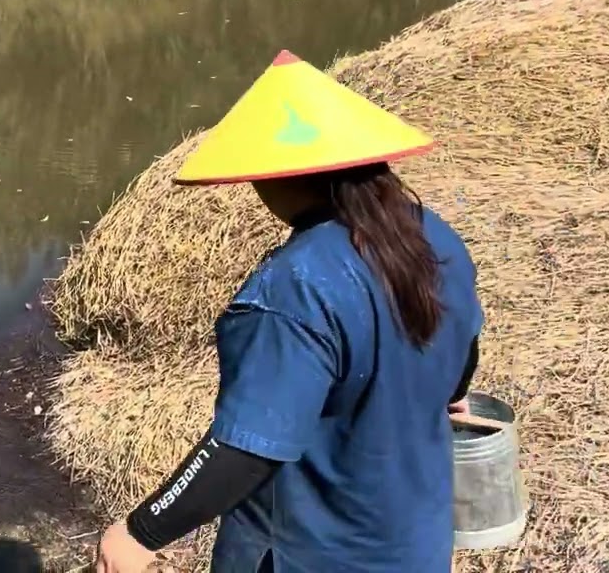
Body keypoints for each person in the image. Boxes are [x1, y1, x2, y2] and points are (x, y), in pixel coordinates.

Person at [94, 50, 482, 573]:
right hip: (414, 542)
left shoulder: (294, 287)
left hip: (310, 553)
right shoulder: (431, 234)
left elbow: (248, 449)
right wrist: (448, 395)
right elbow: (464, 348)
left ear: (281, 177)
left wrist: (142, 532)